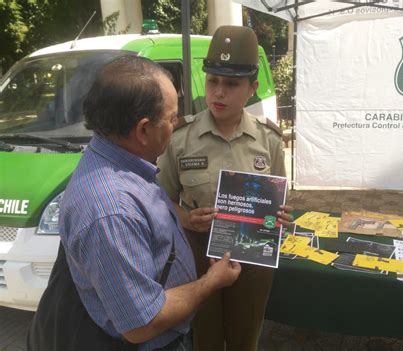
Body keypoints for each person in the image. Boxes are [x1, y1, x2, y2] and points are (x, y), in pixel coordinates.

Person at [28, 56, 241, 351]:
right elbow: (142, 323)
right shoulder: (111, 211)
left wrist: (186, 220)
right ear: (143, 130)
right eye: (171, 118)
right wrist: (209, 283)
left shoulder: (119, 158)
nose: (176, 123)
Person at [157, 26, 294, 351]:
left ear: (252, 88)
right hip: (198, 255)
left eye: (232, 84)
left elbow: (278, 199)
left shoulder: (269, 140)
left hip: (252, 259)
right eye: (213, 81)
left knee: (246, 339)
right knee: (204, 338)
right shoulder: (181, 139)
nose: (219, 92)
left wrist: (282, 214)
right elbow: (159, 198)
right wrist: (187, 219)